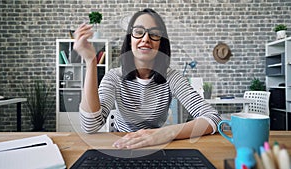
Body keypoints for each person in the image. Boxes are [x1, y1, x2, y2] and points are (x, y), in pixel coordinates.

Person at [73, 8, 221, 149]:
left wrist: (167, 133)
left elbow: (212, 117)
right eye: (138, 32)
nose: (145, 39)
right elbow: (90, 126)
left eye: (154, 34)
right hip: (120, 144)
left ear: (160, 43)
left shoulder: (172, 77)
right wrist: (91, 61)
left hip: (157, 145)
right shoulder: (114, 76)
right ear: (130, 40)